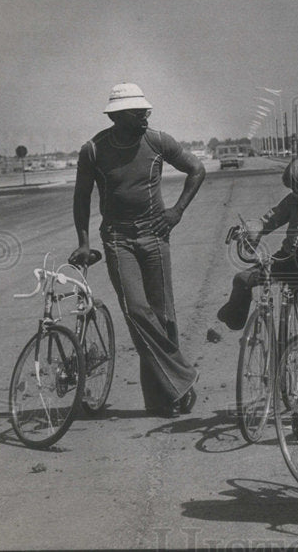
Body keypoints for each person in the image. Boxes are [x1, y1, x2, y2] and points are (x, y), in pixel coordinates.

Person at [71, 83, 205, 418]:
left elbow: (197, 170)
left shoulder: (158, 141)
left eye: (146, 110)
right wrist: (84, 241)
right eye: (138, 111)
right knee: (135, 310)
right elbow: (81, 197)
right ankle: (183, 377)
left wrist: (177, 212)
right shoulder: (93, 149)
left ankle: (162, 400)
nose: (146, 115)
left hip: (155, 235)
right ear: (117, 116)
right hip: (117, 238)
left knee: (162, 317)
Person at [216, 155, 298, 331]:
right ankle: (235, 317)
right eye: (292, 189)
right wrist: (250, 230)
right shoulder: (293, 200)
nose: (294, 194)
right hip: (286, 259)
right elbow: (270, 219)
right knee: (243, 279)